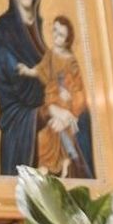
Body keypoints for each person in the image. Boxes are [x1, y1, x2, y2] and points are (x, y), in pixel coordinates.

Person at [0, 0, 81, 176]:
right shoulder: (1, 36)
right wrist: (48, 111)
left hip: (58, 135)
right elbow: (13, 106)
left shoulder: (44, 33)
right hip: (23, 144)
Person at [18, 15, 94, 179]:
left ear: (67, 40)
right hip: (52, 97)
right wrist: (27, 71)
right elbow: (41, 69)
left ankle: (65, 162)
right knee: (46, 134)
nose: (55, 37)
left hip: (65, 101)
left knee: (60, 128)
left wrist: (69, 103)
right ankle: (48, 166)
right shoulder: (51, 54)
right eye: (54, 31)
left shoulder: (70, 60)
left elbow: (77, 86)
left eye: (60, 35)